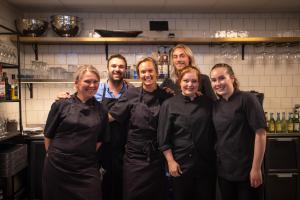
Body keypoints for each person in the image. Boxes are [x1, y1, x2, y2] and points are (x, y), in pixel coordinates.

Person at [57, 54, 131, 200]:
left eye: (121, 66)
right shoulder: (97, 87)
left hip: (122, 147)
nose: (117, 69)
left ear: (126, 69)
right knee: (96, 187)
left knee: (119, 186)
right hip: (97, 144)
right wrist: (63, 97)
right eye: (114, 66)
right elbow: (78, 100)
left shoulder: (131, 91)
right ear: (108, 68)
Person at [108, 57, 171, 200]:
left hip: (157, 157)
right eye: (143, 72)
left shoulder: (166, 95)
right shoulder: (131, 94)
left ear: (157, 72)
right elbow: (111, 116)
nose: (147, 74)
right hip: (134, 158)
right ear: (138, 74)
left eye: (150, 70)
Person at [43, 65, 108, 200]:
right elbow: (48, 135)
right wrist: (53, 156)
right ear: (76, 83)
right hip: (58, 166)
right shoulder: (60, 104)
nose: (92, 85)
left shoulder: (101, 110)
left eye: (95, 82)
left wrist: (82, 153)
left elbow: (100, 139)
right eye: (87, 81)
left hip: (86, 167)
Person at [158, 66, 216, 200]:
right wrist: (171, 162)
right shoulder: (169, 104)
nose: (190, 85)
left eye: (194, 81)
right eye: (186, 81)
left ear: (199, 83)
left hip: (206, 165)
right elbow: (163, 138)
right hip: (181, 165)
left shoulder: (208, 103)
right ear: (179, 82)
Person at [210, 63, 266, 200]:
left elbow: (261, 134)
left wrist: (256, 168)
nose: (218, 83)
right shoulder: (216, 105)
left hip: (247, 170)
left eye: (222, 78)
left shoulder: (247, 99)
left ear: (232, 78)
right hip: (225, 172)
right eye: (214, 80)